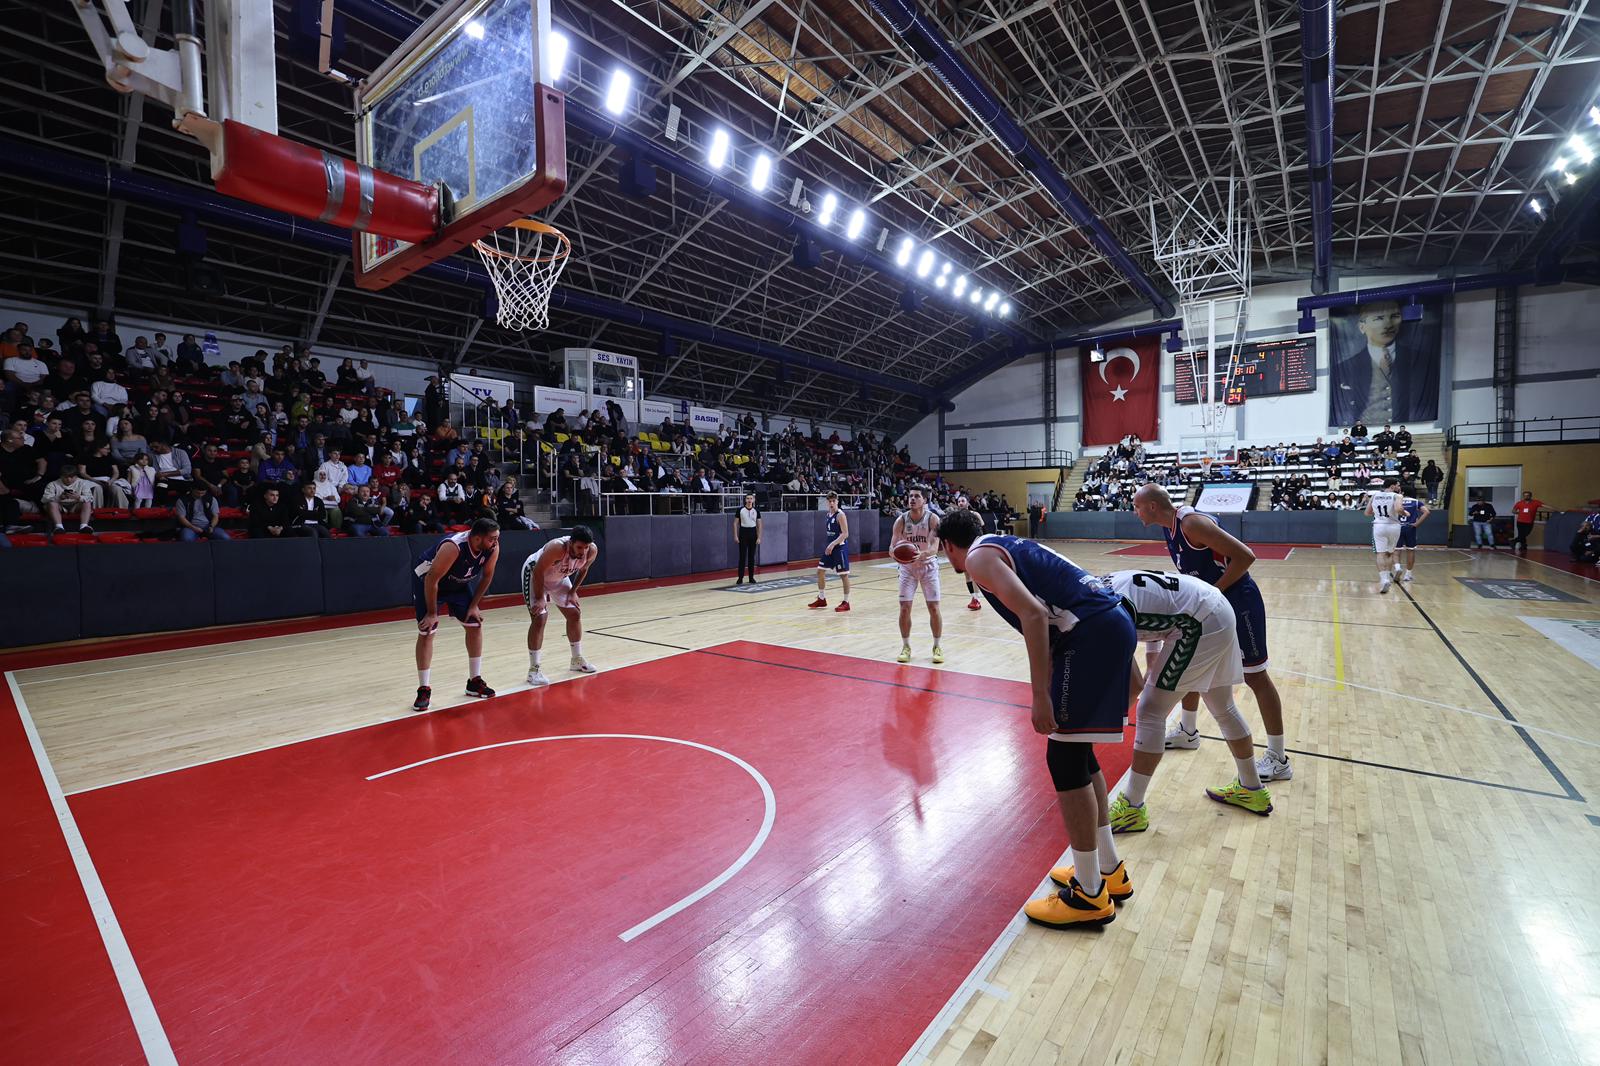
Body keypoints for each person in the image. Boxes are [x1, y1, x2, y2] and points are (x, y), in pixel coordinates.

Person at [937, 509, 1135, 928]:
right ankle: (1106, 870)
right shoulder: (1007, 543)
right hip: (1112, 623)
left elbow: (1031, 615)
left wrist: (1040, 694)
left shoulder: (976, 558)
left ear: (948, 546)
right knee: (1079, 757)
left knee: (1063, 762)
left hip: (1088, 634)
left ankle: (1088, 896)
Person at [1132, 484, 1292, 783]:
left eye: (1137, 505)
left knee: (1256, 676)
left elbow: (1245, 557)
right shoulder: (1170, 528)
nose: (1134, 511)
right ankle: (1188, 731)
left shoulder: (1192, 523)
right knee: (1194, 664)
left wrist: (1212, 594)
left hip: (1239, 602)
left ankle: (1278, 758)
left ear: (1152, 506)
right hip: (1211, 608)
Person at [1099, 569, 1272, 835]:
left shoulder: (1098, 613)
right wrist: (1151, 656)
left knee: (1150, 711)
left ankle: (1132, 808)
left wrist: (1107, 721)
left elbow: (1133, 686)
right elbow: (1153, 607)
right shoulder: (1100, 588)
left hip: (1198, 622)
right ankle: (1252, 789)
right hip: (1215, 609)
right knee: (1223, 707)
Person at [411, 518, 501, 711]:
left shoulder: (493, 548)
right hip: (429, 581)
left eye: (496, 538)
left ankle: (474, 682)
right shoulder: (454, 547)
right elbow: (431, 580)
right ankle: (423, 689)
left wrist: (474, 605)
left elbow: (487, 576)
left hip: (457, 583)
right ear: (477, 539)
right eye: (492, 538)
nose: (495, 542)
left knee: (475, 623)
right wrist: (432, 613)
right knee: (428, 630)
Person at [522, 526, 599, 686]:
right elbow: (537, 572)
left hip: (558, 577)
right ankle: (533, 670)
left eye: (585, 547)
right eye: (579, 547)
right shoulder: (557, 548)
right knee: (540, 617)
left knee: (574, 613)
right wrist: (539, 598)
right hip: (536, 575)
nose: (582, 552)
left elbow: (583, 570)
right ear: (571, 543)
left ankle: (576, 660)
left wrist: (572, 591)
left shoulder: (591, 551)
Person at [891, 485, 944, 664]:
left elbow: (934, 547)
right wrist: (896, 554)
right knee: (904, 607)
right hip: (908, 569)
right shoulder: (901, 520)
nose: (912, 499)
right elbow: (892, 547)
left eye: (916, 496)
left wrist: (924, 554)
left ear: (925, 500)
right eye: (910, 496)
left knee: (934, 608)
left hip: (928, 566)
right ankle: (905, 646)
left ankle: (937, 646)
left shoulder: (933, 519)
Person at [807, 491, 851, 612]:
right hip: (830, 548)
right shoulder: (828, 514)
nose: (831, 503)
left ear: (837, 501)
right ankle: (822, 598)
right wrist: (830, 545)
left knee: (843, 575)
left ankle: (846, 602)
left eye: (833, 501)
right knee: (820, 571)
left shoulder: (840, 515)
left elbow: (845, 534)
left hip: (839, 548)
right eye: (830, 501)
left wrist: (832, 544)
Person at [1365, 478, 1407, 594]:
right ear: (1393, 487)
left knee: (1380, 553)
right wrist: (1405, 513)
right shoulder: (1397, 496)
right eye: (1398, 485)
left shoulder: (1374, 495)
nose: (1399, 487)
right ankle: (1387, 578)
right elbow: (1399, 509)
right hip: (1393, 526)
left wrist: (1379, 513)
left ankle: (1384, 580)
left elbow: (1367, 513)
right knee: (1389, 553)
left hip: (1379, 526)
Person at [42, 464, 97, 534]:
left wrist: (79, 497)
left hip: (76, 506)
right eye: (66, 477)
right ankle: (59, 527)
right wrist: (59, 497)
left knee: (87, 502)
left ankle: (84, 526)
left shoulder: (83, 483)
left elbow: (90, 498)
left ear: (76, 476)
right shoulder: (52, 484)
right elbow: (44, 499)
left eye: (71, 477)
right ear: (61, 476)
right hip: (60, 506)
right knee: (52, 503)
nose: (69, 479)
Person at [1393, 493, 1432, 584]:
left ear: (1402, 492)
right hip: (1410, 528)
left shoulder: (1397, 500)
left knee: (1397, 551)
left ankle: (1397, 568)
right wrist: (1417, 524)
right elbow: (1427, 512)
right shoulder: (1416, 502)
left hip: (1397, 527)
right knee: (1410, 550)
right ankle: (1408, 574)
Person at [734, 492, 762, 585]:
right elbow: (735, 523)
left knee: (751, 557)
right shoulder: (740, 510)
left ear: (753, 500)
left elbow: (759, 525)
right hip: (743, 534)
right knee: (742, 557)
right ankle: (740, 578)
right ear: (745, 500)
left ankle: (751, 577)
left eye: (751, 498)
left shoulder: (756, 511)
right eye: (747, 498)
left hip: (753, 534)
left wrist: (759, 537)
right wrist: (735, 536)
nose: (749, 500)